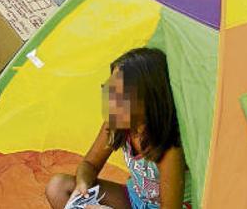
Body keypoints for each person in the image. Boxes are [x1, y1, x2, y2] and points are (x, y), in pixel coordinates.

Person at [44, 48, 190, 209]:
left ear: (148, 100)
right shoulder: (116, 122)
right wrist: (83, 186)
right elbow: (90, 164)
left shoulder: (169, 150)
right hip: (136, 199)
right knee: (58, 187)